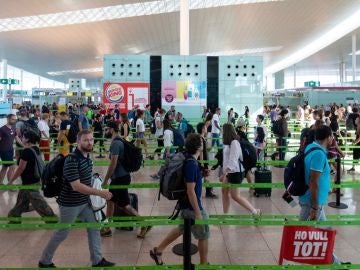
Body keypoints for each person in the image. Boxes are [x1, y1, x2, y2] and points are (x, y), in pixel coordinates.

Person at [39, 130, 115, 268]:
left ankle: (97, 260)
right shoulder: (72, 159)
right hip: (69, 204)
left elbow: (85, 180)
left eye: (91, 139)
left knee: (94, 227)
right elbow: (76, 186)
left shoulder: (86, 158)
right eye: (86, 140)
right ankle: (45, 261)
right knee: (62, 233)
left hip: (84, 202)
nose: (89, 142)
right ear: (78, 142)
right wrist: (99, 193)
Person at [150, 134, 210, 265]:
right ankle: (204, 264)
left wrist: (201, 174)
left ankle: (158, 250)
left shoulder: (189, 159)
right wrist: (198, 213)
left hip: (185, 204)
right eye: (202, 141)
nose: (204, 142)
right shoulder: (191, 164)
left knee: (182, 228)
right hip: (192, 206)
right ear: (198, 146)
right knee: (204, 235)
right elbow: (190, 190)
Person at [299, 125, 349, 265]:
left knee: (326, 234)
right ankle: (335, 264)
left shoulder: (312, 147)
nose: (333, 138)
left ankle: (336, 263)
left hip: (314, 201)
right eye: (332, 136)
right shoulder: (319, 154)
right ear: (328, 137)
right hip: (313, 202)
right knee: (302, 236)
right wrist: (314, 208)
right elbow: (313, 182)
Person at [101, 121, 152, 238]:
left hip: (120, 178)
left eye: (107, 129)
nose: (105, 132)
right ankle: (107, 227)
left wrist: (105, 180)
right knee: (110, 200)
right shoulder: (120, 140)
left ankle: (144, 223)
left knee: (124, 205)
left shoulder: (115, 144)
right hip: (120, 177)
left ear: (112, 130)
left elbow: (113, 164)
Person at [8, 130, 56, 220]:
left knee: (39, 202)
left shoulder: (27, 151)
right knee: (21, 202)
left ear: (27, 139)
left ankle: (51, 217)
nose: (21, 138)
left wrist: (11, 180)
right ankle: (14, 217)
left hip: (29, 181)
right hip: (34, 179)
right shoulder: (35, 149)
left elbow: (20, 168)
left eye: (23, 137)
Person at [220, 123, 261, 215]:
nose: (221, 133)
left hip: (235, 173)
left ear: (226, 132)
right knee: (224, 192)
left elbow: (233, 161)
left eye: (222, 131)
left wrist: (225, 173)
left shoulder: (235, 143)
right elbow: (226, 160)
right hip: (230, 172)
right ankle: (225, 214)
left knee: (235, 196)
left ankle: (255, 211)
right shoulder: (228, 143)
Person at [0, 114, 22, 184]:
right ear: (8, 119)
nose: (14, 121)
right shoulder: (2, 129)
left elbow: (17, 138)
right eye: (13, 119)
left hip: (10, 150)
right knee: (12, 166)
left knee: (5, 167)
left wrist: (23, 145)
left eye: (15, 119)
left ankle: (0, 182)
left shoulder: (13, 128)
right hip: (4, 151)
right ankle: (10, 184)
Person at [197, 122, 217, 198]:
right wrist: (202, 163)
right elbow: (201, 152)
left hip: (204, 161)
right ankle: (208, 192)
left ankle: (208, 191)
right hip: (202, 161)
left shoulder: (202, 138)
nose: (206, 129)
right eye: (205, 128)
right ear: (202, 129)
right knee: (205, 176)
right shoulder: (200, 139)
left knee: (206, 176)